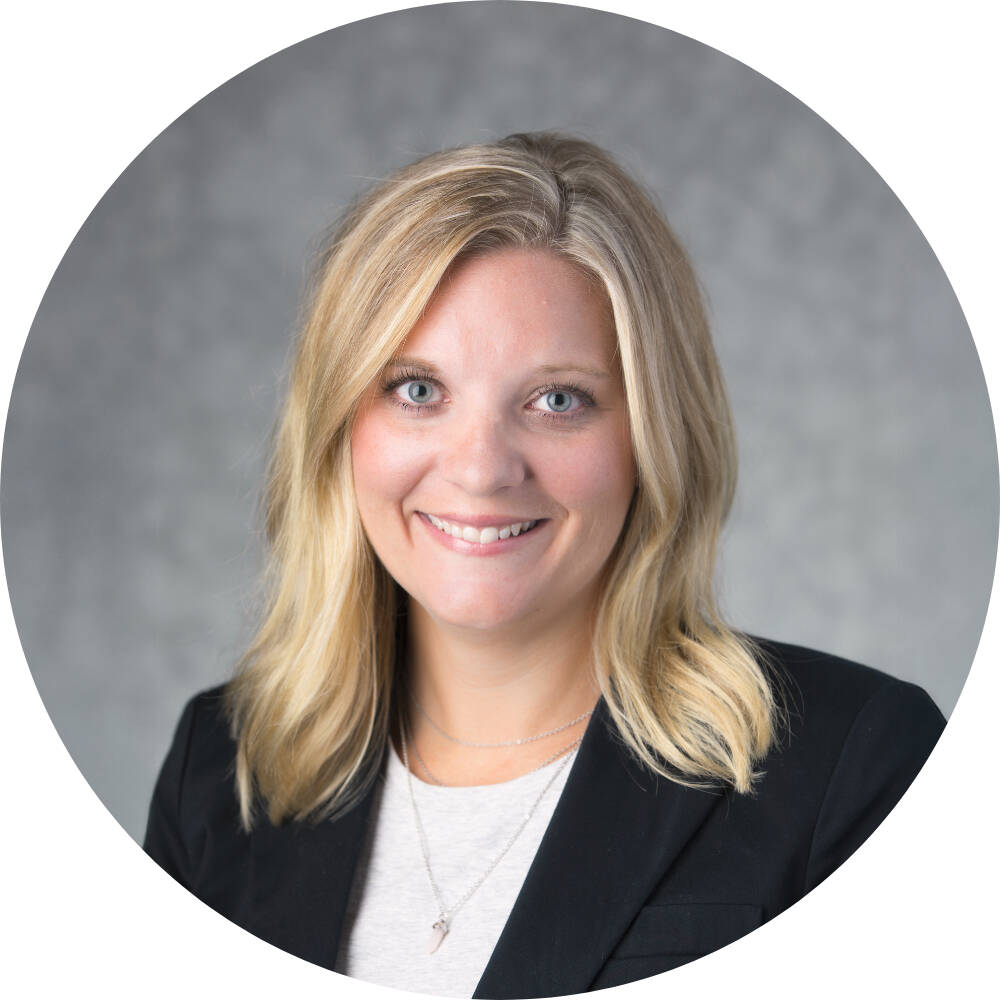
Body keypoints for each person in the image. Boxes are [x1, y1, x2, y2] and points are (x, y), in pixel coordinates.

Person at [144, 131, 945, 998]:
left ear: (652, 436)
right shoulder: (221, 771)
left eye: (557, 400)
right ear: (341, 427)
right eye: (418, 390)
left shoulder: (851, 770)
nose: (483, 468)